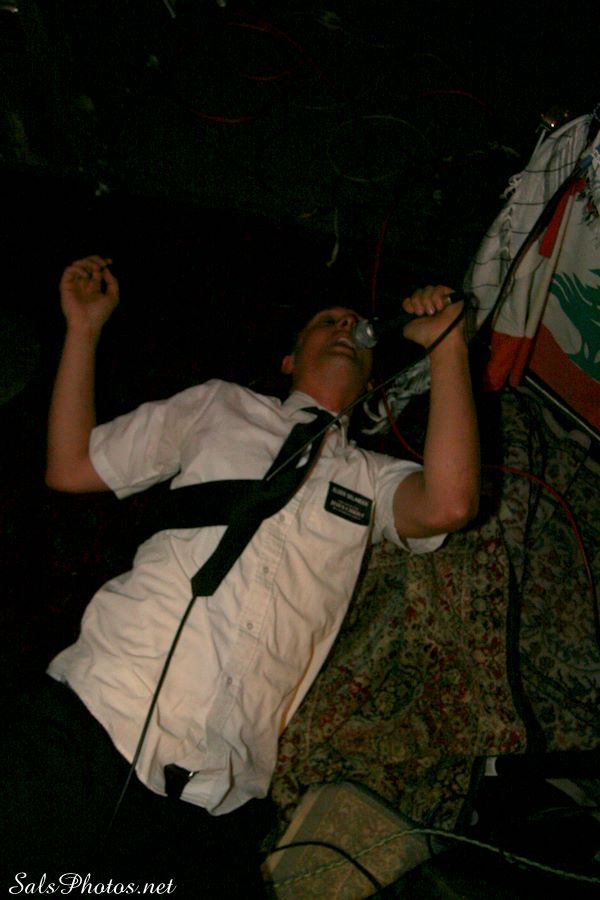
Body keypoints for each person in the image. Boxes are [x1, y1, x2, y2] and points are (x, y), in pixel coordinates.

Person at [2, 255, 479, 895]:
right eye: (326, 320)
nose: (346, 326)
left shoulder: (373, 478)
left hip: (213, 803)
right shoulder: (219, 405)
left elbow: (450, 504)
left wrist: (447, 348)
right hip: (92, 720)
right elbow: (69, 466)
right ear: (289, 359)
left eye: (355, 324)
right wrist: (84, 329)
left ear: (375, 376)